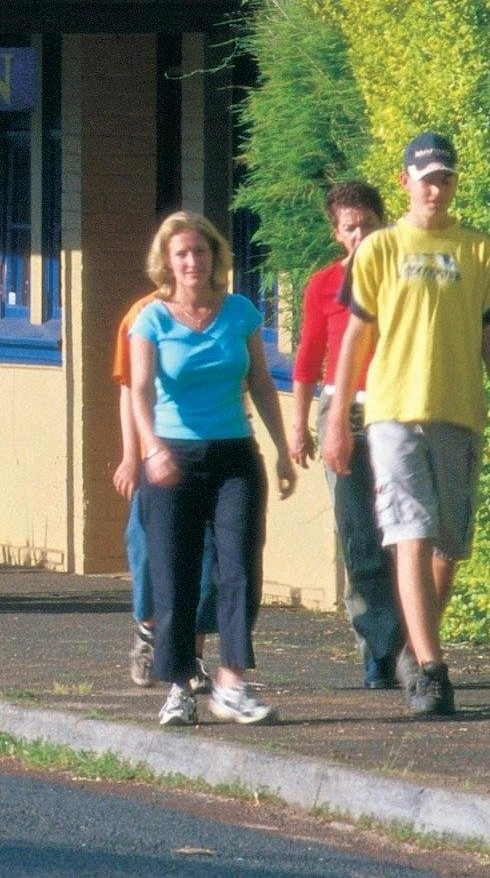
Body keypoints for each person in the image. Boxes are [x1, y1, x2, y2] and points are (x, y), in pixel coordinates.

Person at [325, 133, 490, 719]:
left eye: (445, 179)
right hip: (392, 413)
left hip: (458, 412)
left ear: (454, 184)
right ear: (405, 181)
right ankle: (433, 673)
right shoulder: (380, 249)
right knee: (409, 531)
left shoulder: (480, 251)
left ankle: (416, 649)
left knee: (450, 543)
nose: (435, 189)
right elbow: (356, 337)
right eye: (425, 178)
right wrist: (338, 418)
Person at [128, 212, 297, 726]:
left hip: (234, 456)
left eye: (200, 252)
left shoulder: (241, 312)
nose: (192, 262)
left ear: (215, 257)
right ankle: (179, 686)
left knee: (240, 566)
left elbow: (262, 383)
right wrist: (151, 447)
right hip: (172, 457)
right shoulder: (151, 319)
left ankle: (231, 682)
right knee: (174, 573)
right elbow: (137, 389)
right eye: (181, 253)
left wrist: (284, 449)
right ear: (167, 262)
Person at [287, 179, 408, 689]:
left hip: (399, 408)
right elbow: (309, 357)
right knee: (360, 534)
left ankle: (411, 647)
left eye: (367, 225)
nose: (359, 236)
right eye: (349, 228)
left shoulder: (404, 279)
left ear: (384, 223)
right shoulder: (322, 285)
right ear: (337, 234)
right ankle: (376, 648)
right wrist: (298, 425)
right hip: (345, 411)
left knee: (407, 532)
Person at [114, 290, 217, 687]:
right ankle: (148, 633)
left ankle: (193, 656)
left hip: (208, 452)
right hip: (155, 456)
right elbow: (128, 389)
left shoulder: (221, 310)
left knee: (206, 557)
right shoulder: (141, 314)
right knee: (147, 551)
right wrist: (130, 455)